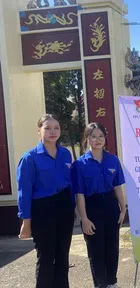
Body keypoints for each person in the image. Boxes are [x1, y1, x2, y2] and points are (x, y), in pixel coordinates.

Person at [17, 114, 75, 288]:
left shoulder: (65, 154)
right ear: (39, 131)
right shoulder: (30, 158)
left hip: (64, 207)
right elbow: (24, 191)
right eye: (47, 128)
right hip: (42, 209)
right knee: (46, 256)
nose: (52, 131)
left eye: (56, 128)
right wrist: (26, 222)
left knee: (63, 254)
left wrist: (73, 209)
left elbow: (70, 182)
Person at [71, 123, 126, 288]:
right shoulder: (79, 164)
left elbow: (117, 186)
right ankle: (100, 284)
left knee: (112, 245)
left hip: (110, 204)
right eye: (93, 136)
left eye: (101, 136)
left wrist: (123, 209)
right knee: (96, 249)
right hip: (91, 205)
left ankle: (111, 282)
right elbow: (79, 194)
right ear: (87, 139)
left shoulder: (113, 160)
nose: (98, 140)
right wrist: (84, 218)